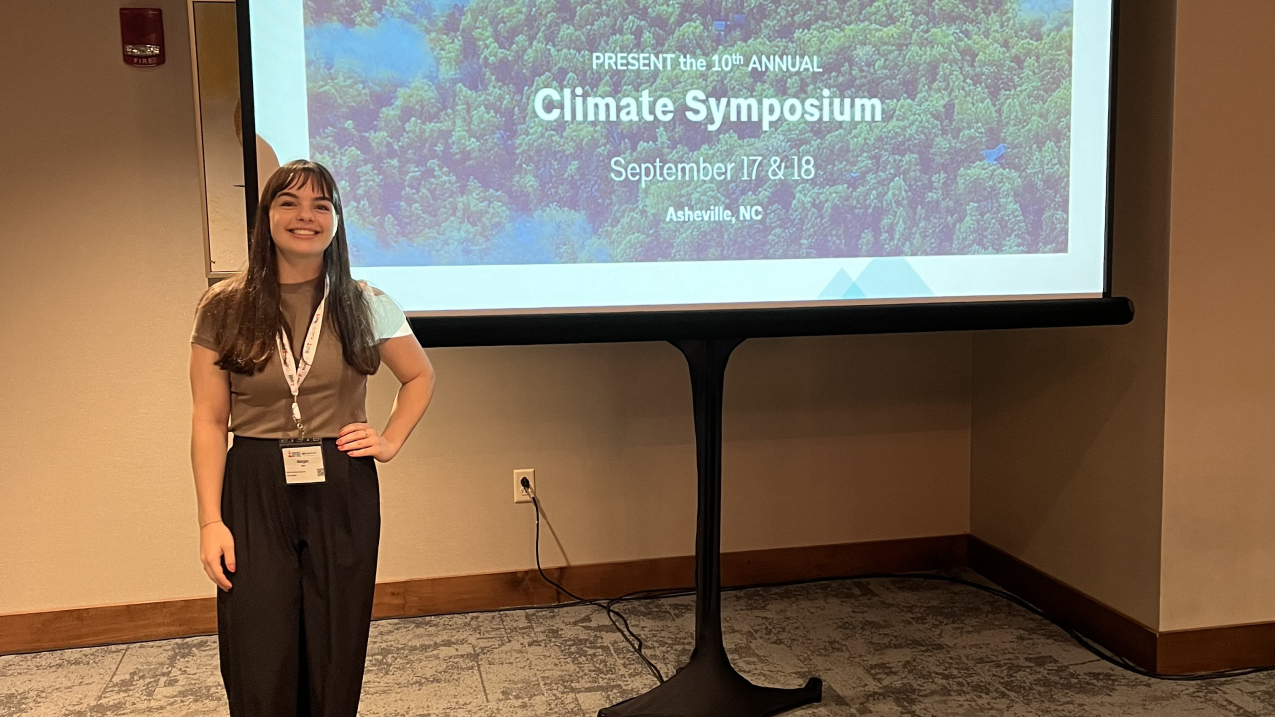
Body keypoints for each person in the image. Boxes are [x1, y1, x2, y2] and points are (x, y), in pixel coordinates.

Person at [189, 160, 435, 716]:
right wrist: (210, 522)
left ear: (337, 221)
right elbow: (208, 419)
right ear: (266, 216)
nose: (306, 216)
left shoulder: (364, 302)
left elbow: (420, 376)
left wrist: (389, 440)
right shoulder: (224, 306)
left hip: (341, 479)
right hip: (253, 483)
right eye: (290, 203)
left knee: (334, 642)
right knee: (258, 644)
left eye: (321, 206)